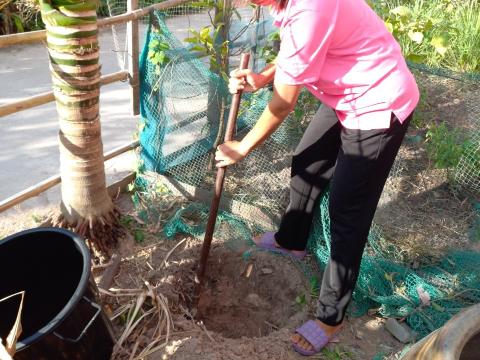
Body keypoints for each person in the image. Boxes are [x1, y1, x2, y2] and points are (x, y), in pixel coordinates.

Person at [215, 0, 419, 356]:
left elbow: (282, 105)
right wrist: (264, 76)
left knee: (346, 210)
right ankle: (291, 239)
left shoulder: (311, 8)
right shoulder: (294, 8)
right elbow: (301, 49)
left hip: (377, 102)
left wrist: (242, 147)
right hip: (347, 92)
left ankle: (330, 316)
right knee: (307, 159)